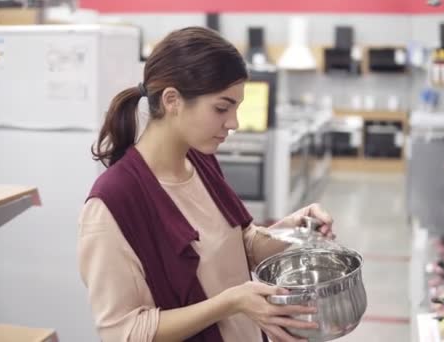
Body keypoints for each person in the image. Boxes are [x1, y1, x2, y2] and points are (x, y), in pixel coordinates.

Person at [77, 26, 335, 342]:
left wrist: (294, 231)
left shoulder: (200, 160)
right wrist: (230, 302)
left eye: (236, 108)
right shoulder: (113, 203)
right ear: (172, 100)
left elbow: (240, 246)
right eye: (221, 108)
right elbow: (124, 332)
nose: (234, 123)